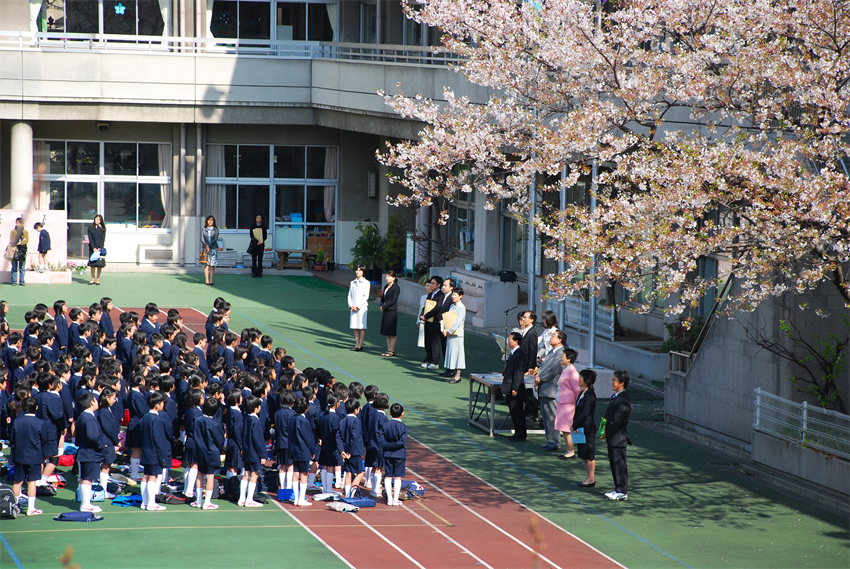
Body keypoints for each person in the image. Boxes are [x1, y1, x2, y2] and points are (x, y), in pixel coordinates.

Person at [10, 396, 47, 516]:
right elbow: (44, 439)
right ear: (36, 408)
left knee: (18, 481)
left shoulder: (17, 421)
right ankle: (31, 508)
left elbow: (12, 437)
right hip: (34, 455)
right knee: (32, 482)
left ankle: (14, 506)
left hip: (19, 454)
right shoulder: (40, 423)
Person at [76, 391, 108, 513]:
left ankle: (85, 502)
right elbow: (93, 436)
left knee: (85, 477)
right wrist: (100, 446)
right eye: (95, 399)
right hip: (90, 452)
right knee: (88, 478)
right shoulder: (89, 417)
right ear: (91, 402)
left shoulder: (82, 416)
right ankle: (85, 504)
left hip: (85, 451)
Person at [535, 330, 566, 451]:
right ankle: (550, 440)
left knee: (551, 417)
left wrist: (539, 378)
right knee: (546, 416)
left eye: (554, 336)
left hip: (550, 389)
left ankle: (554, 442)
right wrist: (537, 374)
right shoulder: (552, 352)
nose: (551, 337)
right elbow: (543, 367)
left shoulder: (560, 353)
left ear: (560, 340)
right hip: (545, 388)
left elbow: (552, 371)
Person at [603, 370, 632, 501]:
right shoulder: (615, 396)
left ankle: (622, 490)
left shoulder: (623, 400)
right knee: (614, 464)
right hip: (612, 438)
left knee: (619, 465)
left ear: (622, 383)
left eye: (615, 380)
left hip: (618, 438)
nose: (612, 382)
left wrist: (607, 432)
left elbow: (617, 421)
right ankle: (617, 488)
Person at [140, 391, 170, 511]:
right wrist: (163, 457)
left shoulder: (144, 418)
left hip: (146, 451)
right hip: (154, 453)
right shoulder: (156, 420)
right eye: (162, 403)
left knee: (145, 477)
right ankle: (151, 503)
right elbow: (159, 440)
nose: (163, 405)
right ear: (157, 405)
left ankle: (145, 502)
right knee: (153, 477)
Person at [192, 397, 225, 509]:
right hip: (212, 452)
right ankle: (207, 502)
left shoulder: (198, 420)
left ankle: (198, 500)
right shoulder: (215, 424)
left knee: (200, 475)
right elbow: (220, 440)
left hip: (200, 451)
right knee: (210, 476)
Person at [554, 349, 581, 459]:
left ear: (569, 359)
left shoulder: (572, 371)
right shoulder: (566, 369)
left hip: (568, 404)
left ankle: (571, 451)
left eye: (564, 356)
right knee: (563, 428)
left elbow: (577, 389)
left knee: (567, 428)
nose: (562, 357)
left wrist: (577, 404)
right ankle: (569, 450)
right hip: (563, 402)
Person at [573, 369, 598, 488]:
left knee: (590, 453)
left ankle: (591, 478)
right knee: (583, 453)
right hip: (581, 427)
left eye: (581, 377)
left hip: (588, 428)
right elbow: (578, 411)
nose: (579, 379)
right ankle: (587, 477)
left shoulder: (590, 395)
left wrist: (575, 424)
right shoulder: (581, 393)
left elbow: (585, 412)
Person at [379, 402, 408, 506]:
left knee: (387, 476)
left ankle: (389, 499)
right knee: (397, 477)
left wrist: (388, 445)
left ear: (390, 413)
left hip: (387, 454)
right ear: (402, 414)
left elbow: (381, 440)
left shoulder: (385, 425)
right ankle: (395, 499)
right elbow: (401, 442)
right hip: (399, 454)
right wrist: (394, 445)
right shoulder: (403, 427)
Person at [502, 332, 527, 442]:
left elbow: (518, 373)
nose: (508, 340)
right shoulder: (514, 353)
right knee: (514, 411)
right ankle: (518, 432)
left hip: (515, 388)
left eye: (510, 339)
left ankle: (520, 433)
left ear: (516, 341)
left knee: (517, 412)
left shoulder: (519, 354)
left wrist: (515, 388)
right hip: (510, 386)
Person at [340, 398, 365, 498]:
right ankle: (351, 493)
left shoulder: (342, 421)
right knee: (360, 473)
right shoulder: (356, 421)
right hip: (354, 451)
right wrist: (350, 451)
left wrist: (342, 450)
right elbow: (354, 437)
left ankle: (347, 494)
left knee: (348, 472)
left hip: (345, 451)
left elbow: (339, 436)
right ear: (356, 409)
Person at [518, 311, 539, 422]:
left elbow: (533, 350)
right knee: (525, 391)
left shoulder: (532, 333)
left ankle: (532, 413)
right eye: (523, 317)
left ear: (532, 320)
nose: (523, 319)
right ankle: (528, 412)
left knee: (529, 392)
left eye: (526, 317)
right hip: (523, 365)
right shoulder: (526, 331)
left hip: (527, 367)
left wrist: (531, 366)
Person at [419, 275, 445, 370]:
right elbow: (425, 306)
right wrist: (422, 315)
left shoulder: (441, 296)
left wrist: (426, 316)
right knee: (427, 341)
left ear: (438, 285)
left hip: (435, 321)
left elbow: (437, 308)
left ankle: (435, 362)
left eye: (433, 283)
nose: (431, 285)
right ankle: (428, 359)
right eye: (431, 283)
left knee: (434, 342)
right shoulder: (430, 294)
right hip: (427, 321)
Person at [443, 287, 466, 384]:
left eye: (455, 295)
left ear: (460, 296)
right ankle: (454, 374)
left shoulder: (462, 307)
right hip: (450, 333)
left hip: (457, 334)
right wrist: (445, 329)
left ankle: (458, 376)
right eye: (452, 295)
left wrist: (450, 331)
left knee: (458, 355)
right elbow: (448, 318)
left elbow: (458, 321)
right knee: (452, 353)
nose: (453, 297)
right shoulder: (452, 306)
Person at [348, 265, 369, 352]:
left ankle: (361, 344)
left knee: (362, 325)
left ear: (363, 272)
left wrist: (358, 306)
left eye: (360, 270)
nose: (358, 272)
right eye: (357, 270)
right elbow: (349, 295)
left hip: (362, 308)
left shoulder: (366, 282)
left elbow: (366, 296)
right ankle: (356, 343)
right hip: (353, 308)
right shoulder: (352, 282)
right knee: (355, 326)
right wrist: (351, 305)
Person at [379, 270, 400, 357]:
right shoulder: (386, 286)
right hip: (386, 311)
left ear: (394, 278)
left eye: (389, 277)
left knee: (392, 331)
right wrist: (381, 305)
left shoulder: (396, 287)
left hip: (392, 311)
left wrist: (385, 306)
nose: (387, 278)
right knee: (387, 331)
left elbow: (394, 300)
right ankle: (388, 349)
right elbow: (382, 298)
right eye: (387, 276)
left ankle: (392, 350)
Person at [8, 217, 29, 286]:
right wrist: (20, 241)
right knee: (14, 267)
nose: (18, 224)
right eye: (17, 223)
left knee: (22, 267)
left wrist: (19, 242)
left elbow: (26, 240)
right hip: (14, 250)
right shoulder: (13, 231)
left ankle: (22, 281)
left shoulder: (25, 232)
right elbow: (12, 240)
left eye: (20, 223)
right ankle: (14, 281)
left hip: (23, 250)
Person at [87, 214, 106, 285]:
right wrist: (93, 247)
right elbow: (90, 238)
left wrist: (99, 248)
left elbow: (103, 239)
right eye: (97, 219)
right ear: (94, 219)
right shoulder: (90, 228)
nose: (98, 221)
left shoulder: (102, 229)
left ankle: (98, 279)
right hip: (92, 248)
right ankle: (92, 279)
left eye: (99, 220)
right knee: (92, 264)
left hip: (99, 249)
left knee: (99, 264)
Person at [201, 215, 219, 286]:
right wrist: (206, 246)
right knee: (206, 264)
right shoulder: (204, 229)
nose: (210, 222)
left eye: (212, 220)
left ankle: (211, 279)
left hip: (213, 248)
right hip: (206, 249)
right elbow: (202, 238)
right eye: (209, 220)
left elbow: (215, 239)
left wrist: (209, 246)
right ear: (207, 221)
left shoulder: (216, 229)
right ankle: (207, 279)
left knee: (212, 265)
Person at [249, 214, 267, 278]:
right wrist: (256, 241)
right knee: (254, 259)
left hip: (261, 245)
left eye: (260, 218)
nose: (258, 219)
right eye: (257, 218)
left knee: (260, 259)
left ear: (262, 219)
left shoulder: (264, 227)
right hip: (254, 245)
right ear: (256, 219)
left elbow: (265, 236)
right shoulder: (252, 226)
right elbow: (251, 235)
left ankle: (259, 273)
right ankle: (254, 273)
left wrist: (261, 241)